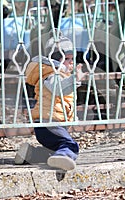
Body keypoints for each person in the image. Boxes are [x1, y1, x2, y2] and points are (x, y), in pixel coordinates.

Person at [14, 36, 86, 171]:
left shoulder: (57, 74)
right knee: (69, 145)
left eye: (72, 59)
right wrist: (75, 79)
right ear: (55, 59)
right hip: (50, 122)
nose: (71, 62)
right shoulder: (52, 74)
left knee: (53, 148)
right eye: (67, 59)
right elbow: (58, 89)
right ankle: (64, 156)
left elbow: (65, 101)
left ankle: (30, 154)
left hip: (49, 123)